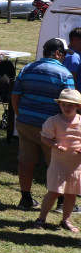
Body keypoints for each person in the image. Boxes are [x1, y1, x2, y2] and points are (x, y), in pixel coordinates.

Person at [12, 38, 76, 210]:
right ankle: (62, 203)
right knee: (57, 164)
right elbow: (69, 104)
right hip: (51, 127)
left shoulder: (27, 69)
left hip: (26, 122)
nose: (63, 57)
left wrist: (20, 114)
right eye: (63, 54)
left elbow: (15, 94)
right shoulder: (65, 74)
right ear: (56, 53)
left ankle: (25, 199)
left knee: (26, 161)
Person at [33, 89, 81, 233]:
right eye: (64, 105)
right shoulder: (53, 121)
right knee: (53, 192)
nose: (67, 108)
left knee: (71, 193)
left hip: (76, 165)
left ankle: (65, 220)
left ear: (78, 106)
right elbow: (44, 138)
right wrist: (55, 145)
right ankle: (41, 218)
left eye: (71, 105)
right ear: (59, 104)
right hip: (59, 163)